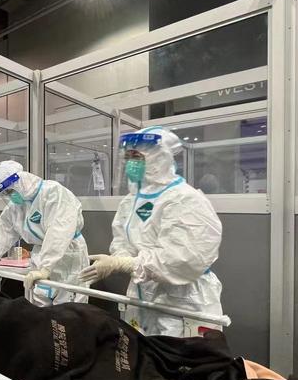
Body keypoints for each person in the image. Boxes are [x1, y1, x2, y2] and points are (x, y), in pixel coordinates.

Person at [80, 127, 223, 337]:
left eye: (137, 156)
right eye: (128, 157)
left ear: (159, 158)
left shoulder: (185, 199)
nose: (131, 162)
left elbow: (182, 259)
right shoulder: (131, 201)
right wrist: (119, 259)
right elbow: (122, 241)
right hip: (141, 292)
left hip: (183, 298)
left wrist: (125, 264)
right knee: (141, 350)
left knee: (181, 354)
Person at [0, 160, 89, 305]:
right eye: (6, 193)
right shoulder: (15, 207)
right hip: (40, 256)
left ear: (20, 180)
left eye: (11, 190)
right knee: (40, 303)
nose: (10, 195)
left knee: (69, 307)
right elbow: (3, 234)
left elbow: (59, 232)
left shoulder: (53, 192)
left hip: (68, 254)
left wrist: (46, 267)